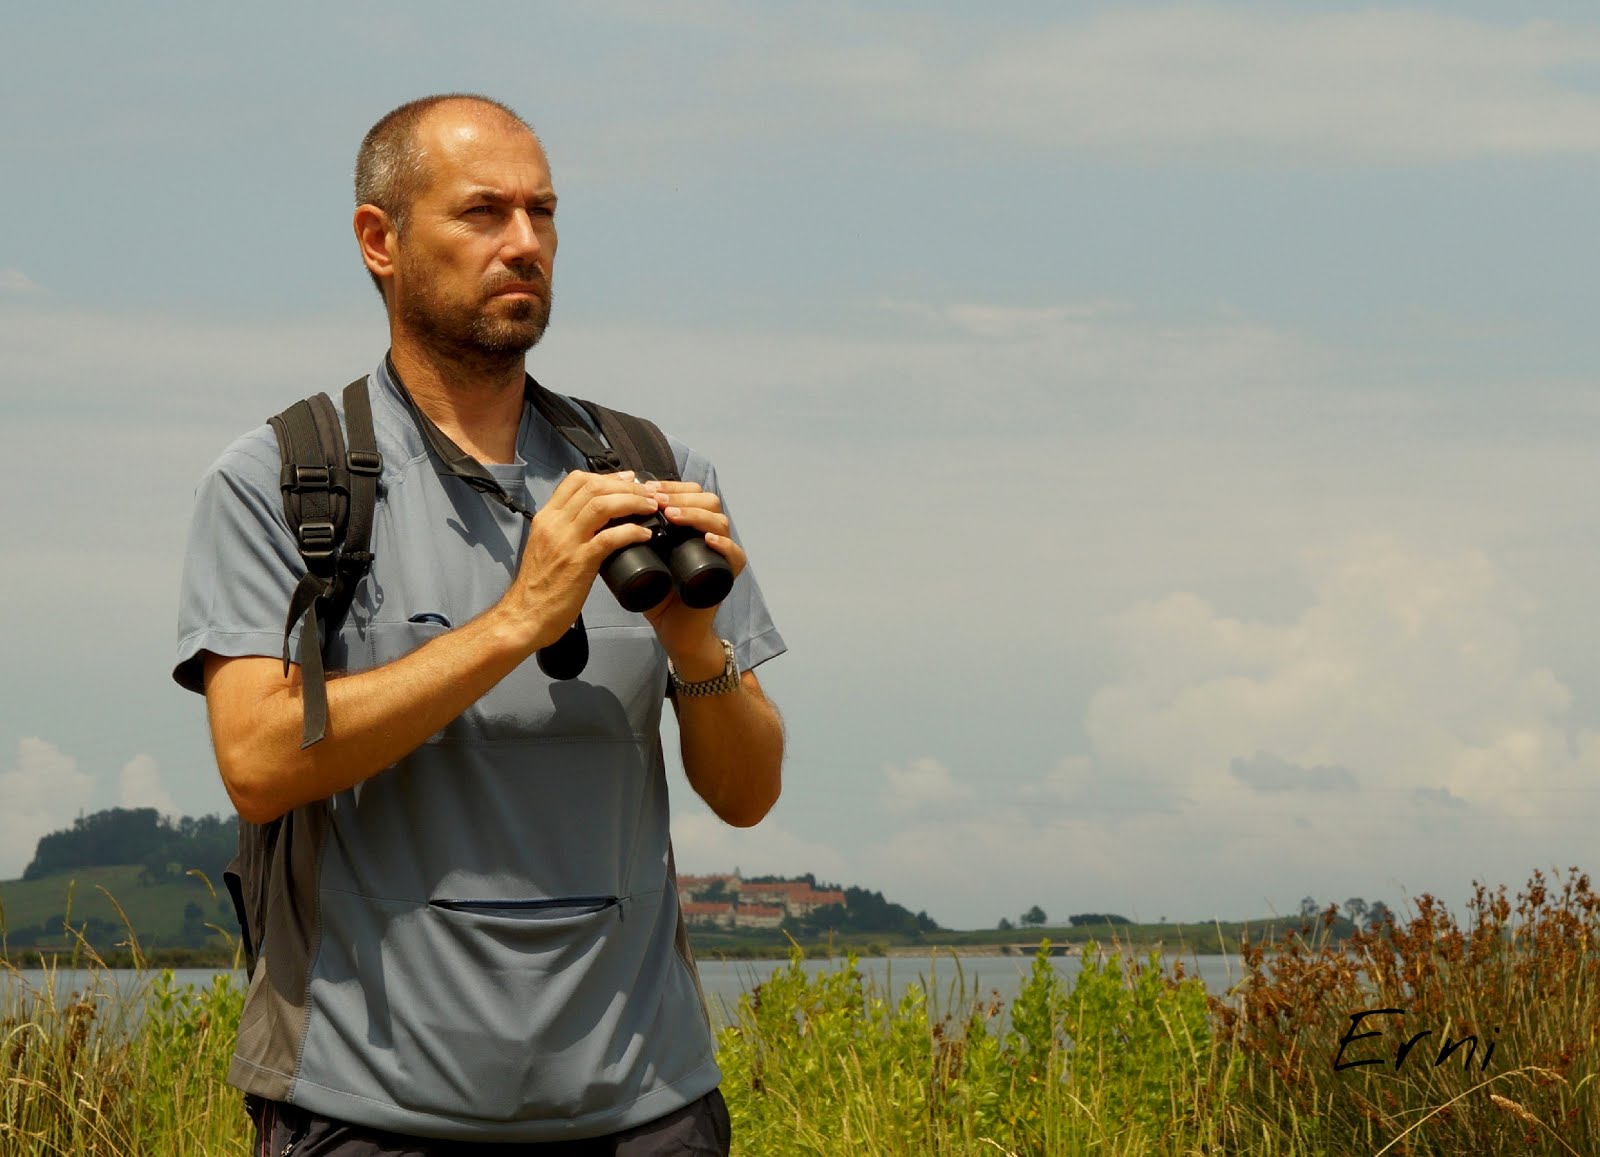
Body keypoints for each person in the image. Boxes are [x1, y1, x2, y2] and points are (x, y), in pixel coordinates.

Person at [173, 93, 786, 1153]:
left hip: (644, 1106)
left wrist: (694, 644)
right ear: (380, 239)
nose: (524, 243)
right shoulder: (284, 479)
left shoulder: (649, 468)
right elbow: (259, 759)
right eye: (482, 212)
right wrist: (517, 618)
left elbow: (746, 792)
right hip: (371, 1109)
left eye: (543, 214)